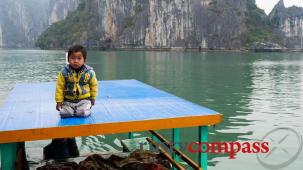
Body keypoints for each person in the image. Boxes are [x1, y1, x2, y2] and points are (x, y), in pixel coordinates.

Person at [55, 45, 98, 118]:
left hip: (84, 100)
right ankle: (73, 111)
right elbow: (59, 87)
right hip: (68, 101)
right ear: (68, 59)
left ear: (84, 60)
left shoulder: (89, 73)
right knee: (64, 113)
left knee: (83, 113)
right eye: (72, 58)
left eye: (79, 58)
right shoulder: (64, 73)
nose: (75, 61)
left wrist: (93, 98)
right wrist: (59, 101)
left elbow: (94, 86)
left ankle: (79, 110)